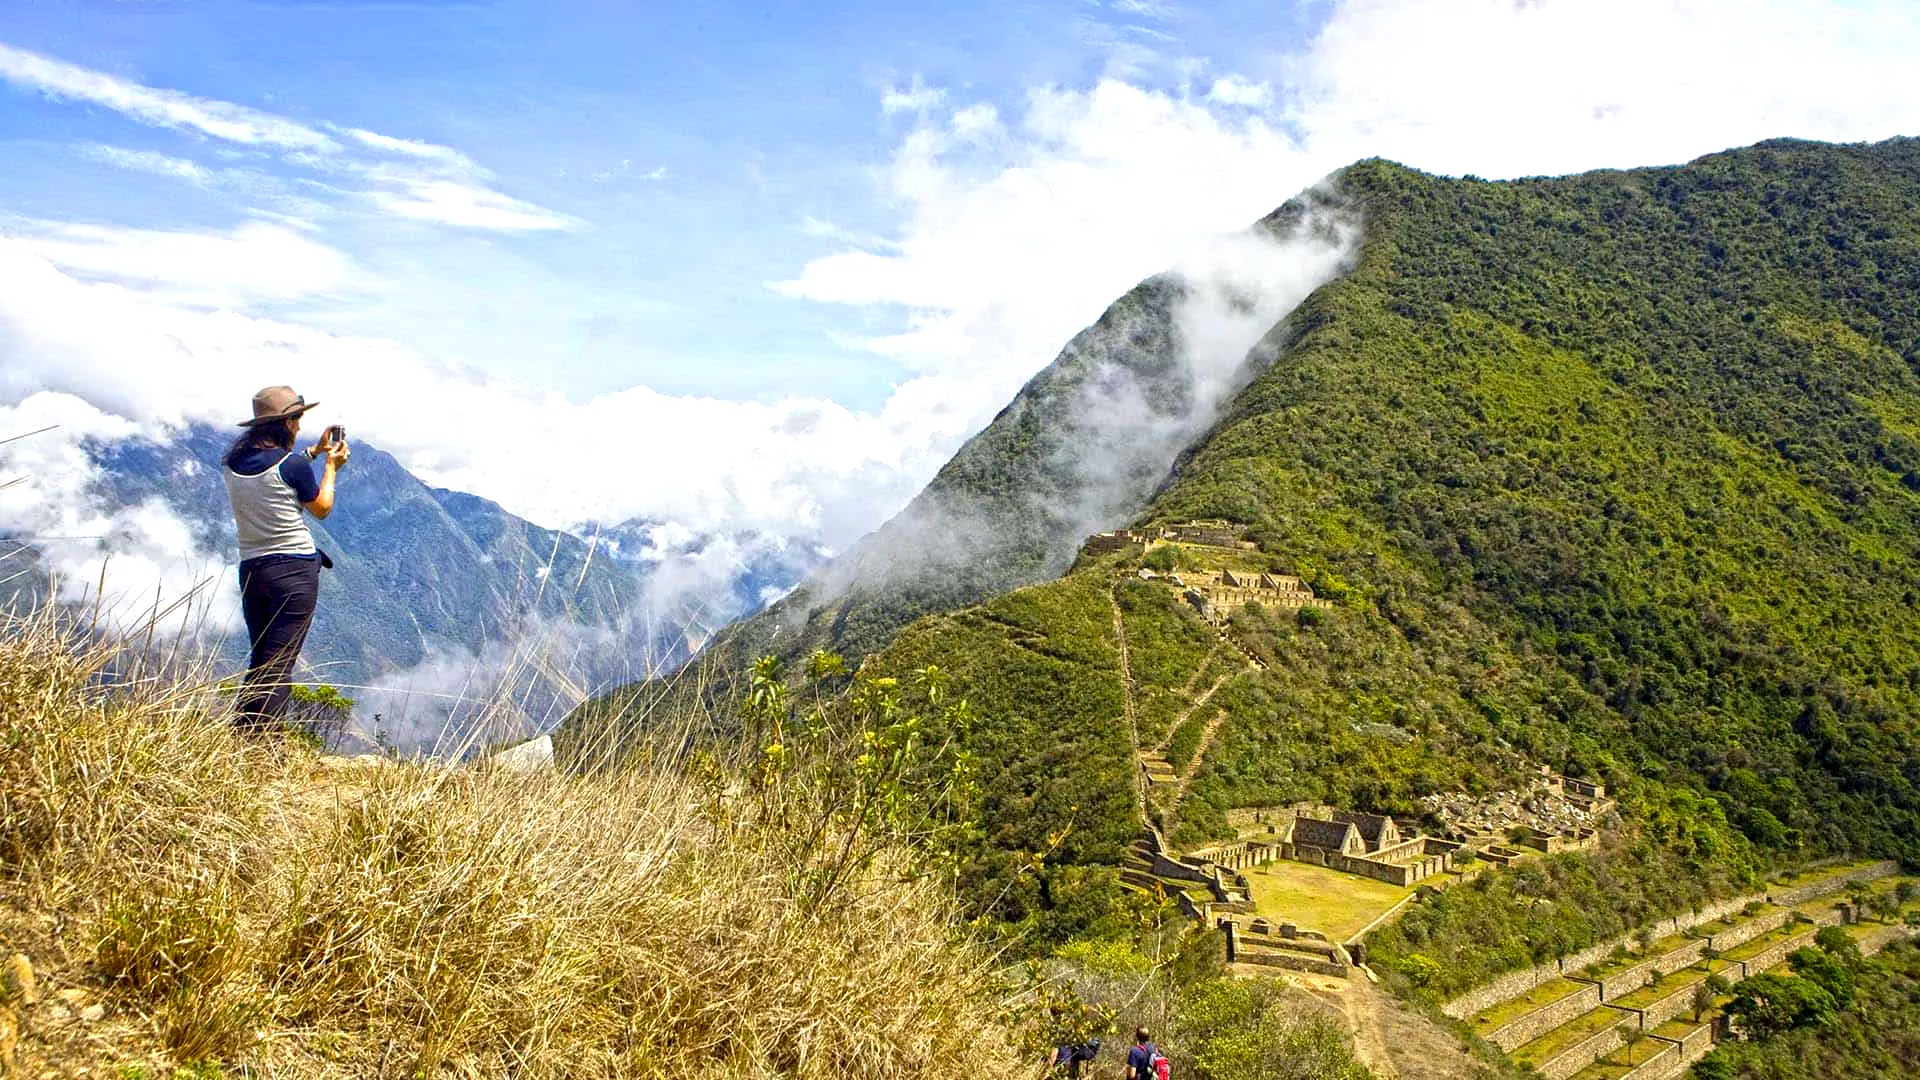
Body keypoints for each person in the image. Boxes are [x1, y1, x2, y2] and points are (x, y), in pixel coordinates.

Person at [222, 385, 348, 733]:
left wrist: (314, 452)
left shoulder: (233, 464)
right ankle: (265, 749)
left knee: (262, 659)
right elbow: (321, 508)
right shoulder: (290, 465)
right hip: (293, 572)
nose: (298, 425)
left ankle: (244, 735)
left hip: (253, 570)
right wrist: (331, 466)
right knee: (280, 664)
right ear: (286, 422)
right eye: (297, 418)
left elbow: (273, 475)